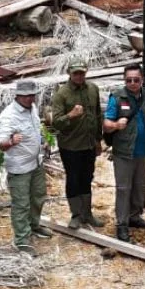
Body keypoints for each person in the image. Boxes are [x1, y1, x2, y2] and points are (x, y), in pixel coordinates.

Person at [103, 64, 145, 242]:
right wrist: (116, 125)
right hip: (124, 152)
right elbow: (106, 124)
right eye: (129, 80)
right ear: (124, 80)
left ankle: (134, 216)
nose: (132, 83)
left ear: (142, 79)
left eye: (136, 79)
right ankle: (122, 224)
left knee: (140, 186)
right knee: (123, 189)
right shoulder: (117, 97)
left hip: (144, 151)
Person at [47, 59, 105, 230]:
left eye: (82, 73)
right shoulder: (62, 94)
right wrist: (71, 115)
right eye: (76, 73)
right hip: (70, 146)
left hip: (89, 144)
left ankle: (87, 214)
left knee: (87, 178)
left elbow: (97, 115)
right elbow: (55, 123)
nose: (79, 76)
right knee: (73, 179)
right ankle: (76, 215)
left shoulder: (93, 89)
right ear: (70, 74)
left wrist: (98, 140)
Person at [0, 80, 49, 254]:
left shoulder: (32, 109)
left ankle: (34, 225)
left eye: (32, 95)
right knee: (21, 204)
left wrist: (43, 141)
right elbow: (1, 144)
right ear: (17, 95)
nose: (29, 98)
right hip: (19, 168)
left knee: (38, 196)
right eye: (26, 96)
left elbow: (36, 129)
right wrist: (11, 141)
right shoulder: (8, 116)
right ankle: (22, 240)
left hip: (36, 163)